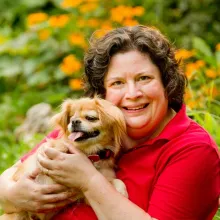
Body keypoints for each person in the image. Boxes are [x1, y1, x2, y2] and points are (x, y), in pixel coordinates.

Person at [0, 25, 219, 220]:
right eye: (117, 83)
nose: (132, 93)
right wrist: (14, 194)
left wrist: (88, 181)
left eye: (144, 78)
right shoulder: (91, 131)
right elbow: (7, 182)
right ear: (102, 93)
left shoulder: (193, 149)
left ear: (166, 84)